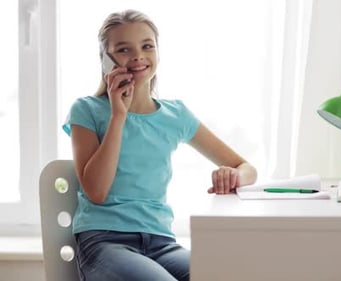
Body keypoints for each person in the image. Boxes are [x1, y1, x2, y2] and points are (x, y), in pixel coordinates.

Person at [62, 9, 257, 281]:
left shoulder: (175, 115)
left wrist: (234, 175)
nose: (138, 56)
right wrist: (119, 115)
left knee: (222, 274)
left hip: (161, 243)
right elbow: (96, 192)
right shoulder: (87, 110)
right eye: (123, 49)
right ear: (106, 60)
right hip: (105, 242)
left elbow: (247, 168)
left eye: (147, 46)